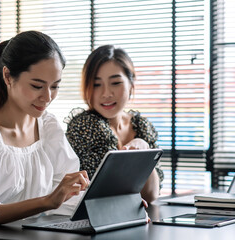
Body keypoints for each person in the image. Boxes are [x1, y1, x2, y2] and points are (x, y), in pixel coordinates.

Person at [0, 31, 90, 231]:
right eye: (37, 86)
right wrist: (47, 201)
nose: (47, 97)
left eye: (54, 87)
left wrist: (115, 205)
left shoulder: (48, 127)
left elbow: (69, 198)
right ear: (7, 76)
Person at [65, 45, 164, 203]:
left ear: (131, 83)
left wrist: (143, 146)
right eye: (97, 84)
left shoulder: (141, 125)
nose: (106, 94)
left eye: (115, 83)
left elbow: (151, 195)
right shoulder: (85, 126)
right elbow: (109, 194)